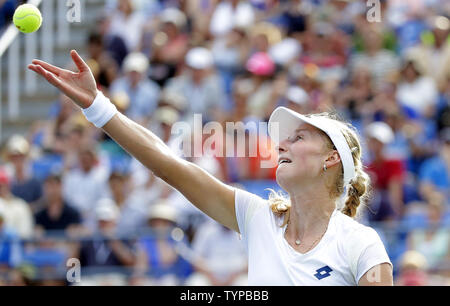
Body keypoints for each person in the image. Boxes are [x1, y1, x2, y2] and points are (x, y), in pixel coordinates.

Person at [28, 50, 393, 285]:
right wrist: (98, 107)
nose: (281, 144)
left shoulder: (361, 244)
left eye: (299, 138)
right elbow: (168, 164)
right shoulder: (258, 218)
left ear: (331, 159)